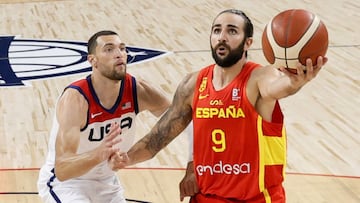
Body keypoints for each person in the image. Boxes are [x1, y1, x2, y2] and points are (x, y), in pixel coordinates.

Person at [109, 9, 327, 203]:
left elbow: (279, 87)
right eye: (216, 30)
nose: (222, 37)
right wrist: (126, 157)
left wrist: (295, 81)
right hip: (206, 198)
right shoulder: (192, 84)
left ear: (248, 42)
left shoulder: (259, 77)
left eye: (232, 31)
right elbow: (158, 138)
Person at [37, 30, 171, 203]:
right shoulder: (76, 99)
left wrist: (130, 157)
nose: (119, 54)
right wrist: (98, 155)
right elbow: (62, 170)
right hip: (67, 184)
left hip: (107, 182)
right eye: (109, 49)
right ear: (93, 60)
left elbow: (177, 120)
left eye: (122, 48)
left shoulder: (137, 89)